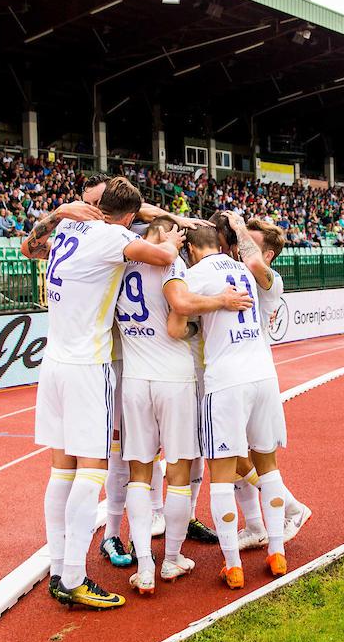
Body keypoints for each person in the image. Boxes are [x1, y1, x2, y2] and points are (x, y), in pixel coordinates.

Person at [21, 176, 184, 610]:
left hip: (54, 362)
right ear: (130, 216)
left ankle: (59, 568)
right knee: (92, 470)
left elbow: (29, 248)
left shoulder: (69, 226)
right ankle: (73, 577)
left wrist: (58, 213)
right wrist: (173, 233)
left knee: (61, 471)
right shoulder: (113, 236)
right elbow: (165, 254)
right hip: (87, 367)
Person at [115, 216, 253, 594]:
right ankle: (172, 559)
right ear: (168, 236)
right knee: (179, 474)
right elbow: (179, 305)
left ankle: (144, 565)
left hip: (134, 380)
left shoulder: (121, 263)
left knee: (139, 475)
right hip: (173, 379)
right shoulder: (172, 263)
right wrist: (222, 301)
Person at [169, 223, 290, 590]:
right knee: (267, 467)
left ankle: (234, 566)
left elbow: (176, 322)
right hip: (264, 376)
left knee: (221, 475)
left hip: (226, 381)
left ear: (191, 249)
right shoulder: (249, 270)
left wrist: (195, 325)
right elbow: (254, 262)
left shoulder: (195, 273)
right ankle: (277, 551)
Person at [216, 213, 313, 551]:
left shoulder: (270, 278)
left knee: (245, 458)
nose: (241, 248)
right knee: (233, 456)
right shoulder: (230, 271)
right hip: (231, 373)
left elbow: (253, 262)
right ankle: (255, 525)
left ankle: (292, 507)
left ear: (267, 254)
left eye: (249, 244)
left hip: (252, 374)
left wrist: (241, 229)